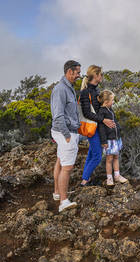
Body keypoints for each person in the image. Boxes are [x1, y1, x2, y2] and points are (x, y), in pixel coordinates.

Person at [51, 60, 81, 212]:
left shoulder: (68, 88)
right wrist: (67, 136)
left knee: (60, 161)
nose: (79, 76)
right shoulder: (61, 89)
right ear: (70, 72)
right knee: (67, 168)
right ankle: (64, 201)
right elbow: (58, 116)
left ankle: (57, 193)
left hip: (66, 131)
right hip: (66, 132)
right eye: (77, 73)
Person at [79, 65, 116, 186]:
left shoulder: (95, 91)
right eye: (100, 75)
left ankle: (86, 178)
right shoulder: (86, 92)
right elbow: (87, 113)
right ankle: (84, 181)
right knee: (97, 156)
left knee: (91, 153)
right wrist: (103, 120)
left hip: (97, 127)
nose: (102, 77)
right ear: (95, 75)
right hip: (92, 128)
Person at [96, 90, 128, 186]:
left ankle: (117, 176)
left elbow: (115, 122)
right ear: (106, 102)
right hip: (109, 140)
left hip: (116, 138)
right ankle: (109, 178)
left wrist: (119, 129)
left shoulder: (110, 109)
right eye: (112, 100)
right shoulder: (102, 112)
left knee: (116, 157)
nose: (113, 102)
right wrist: (104, 141)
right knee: (109, 159)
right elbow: (101, 128)